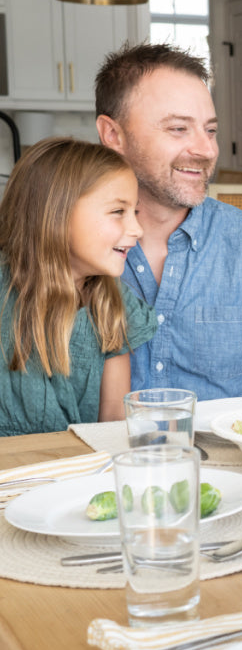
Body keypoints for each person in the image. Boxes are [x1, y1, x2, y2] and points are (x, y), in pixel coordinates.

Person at [94, 43, 242, 401]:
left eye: (210, 130)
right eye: (179, 129)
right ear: (113, 135)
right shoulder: (62, 248)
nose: (207, 150)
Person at [0, 137, 157, 436]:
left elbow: (113, 424)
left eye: (134, 212)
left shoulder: (112, 303)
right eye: (118, 211)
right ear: (57, 212)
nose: (137, 230)